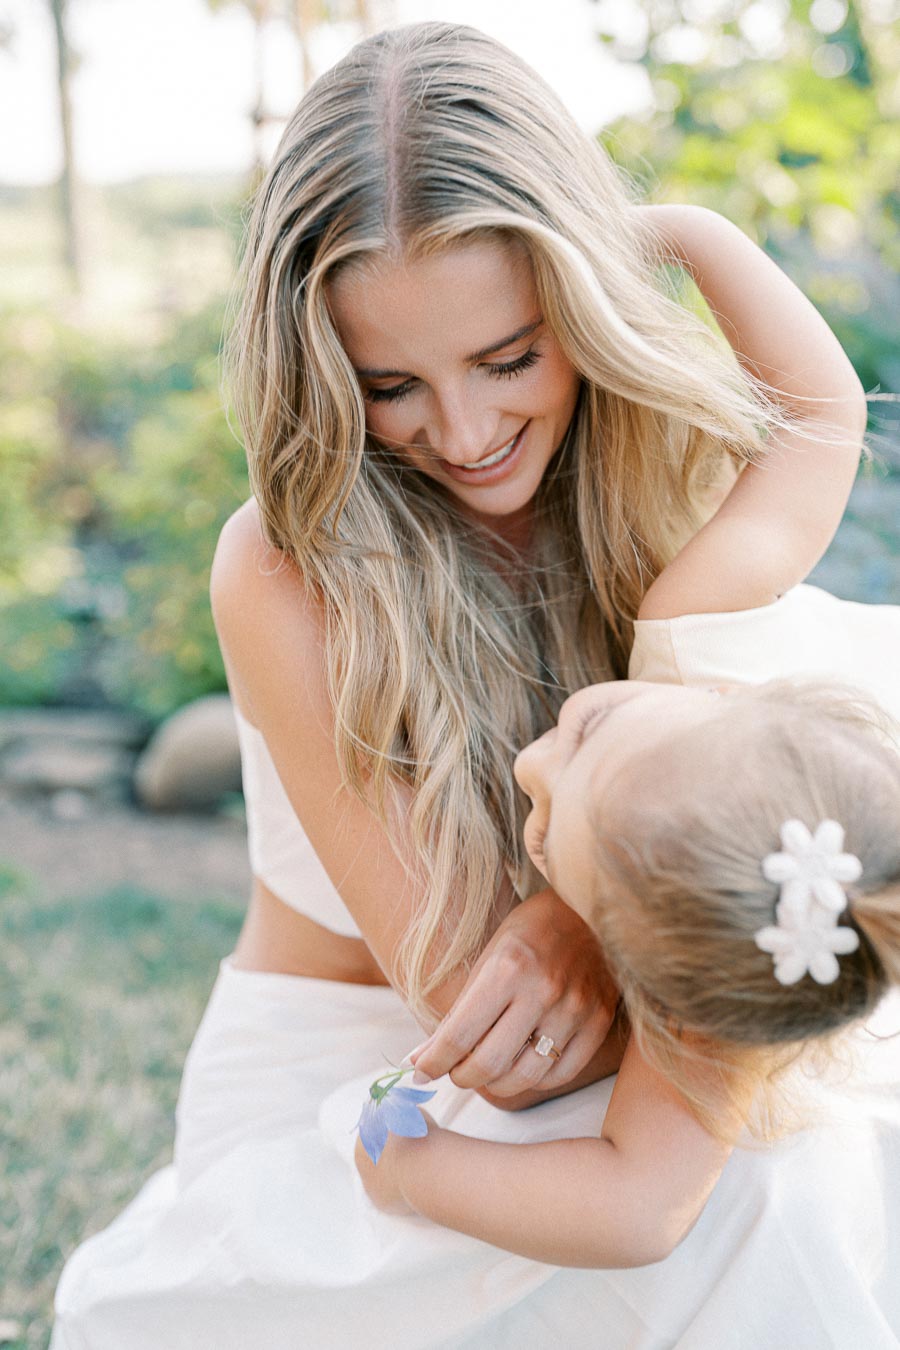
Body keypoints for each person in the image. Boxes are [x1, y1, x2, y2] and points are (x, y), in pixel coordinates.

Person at [52, 20, 894, 1348]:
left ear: (580, 298)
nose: (463, 430)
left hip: (644, 1019)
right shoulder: (288, 563)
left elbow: (816, 415)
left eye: (509, 357)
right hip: (410, 1059)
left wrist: (661, 226)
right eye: (391, 383)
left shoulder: (660, 491)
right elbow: (479, 1007)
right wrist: (586, 905)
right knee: (763, 1191)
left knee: (807, 1166)